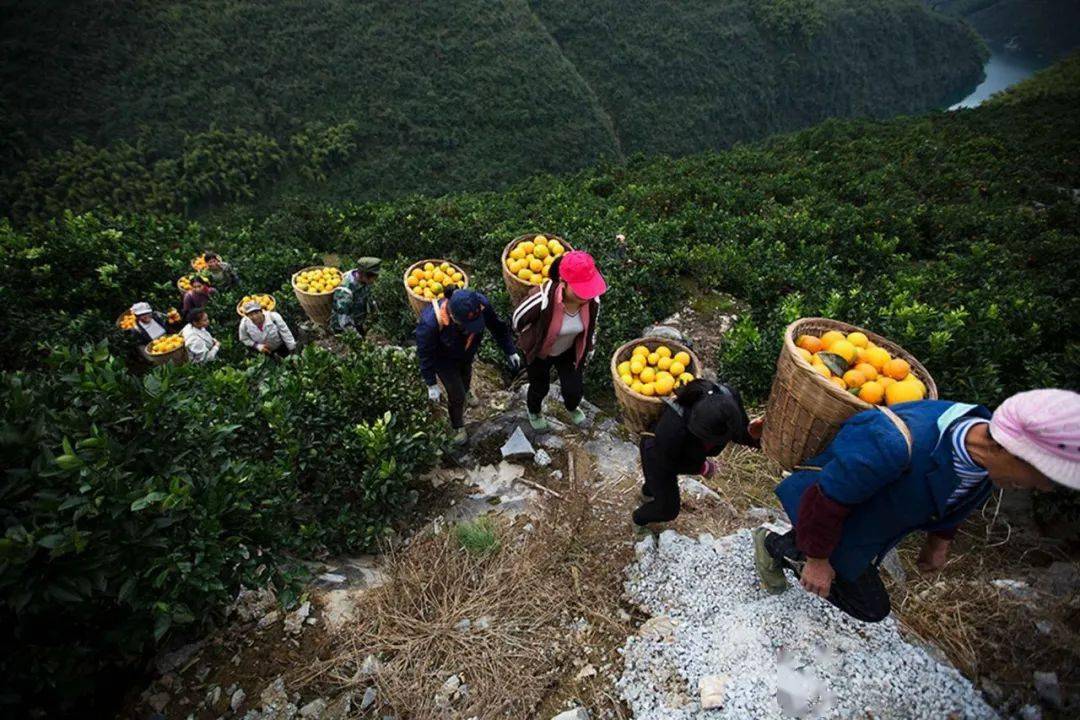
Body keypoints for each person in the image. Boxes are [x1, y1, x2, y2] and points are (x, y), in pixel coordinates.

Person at [754, 389, 1080, 623]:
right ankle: (777, 545)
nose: (1043, 487)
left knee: (865, 597)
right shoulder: (895, 444)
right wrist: (817, 559)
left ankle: (801, 548)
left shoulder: (987, 461)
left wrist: (940, 541)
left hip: (867, 524)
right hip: (831, 517)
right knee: (871, 608)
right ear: (1009, 449)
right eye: (1040, 474)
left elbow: (961, 495)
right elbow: (827, 498)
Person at [634, 379, 762, 527]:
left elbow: (742, 432)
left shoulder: (728, 399)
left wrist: (763, 442)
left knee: (657, 487)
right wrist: (701, 468)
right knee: (668, 509)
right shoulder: (672, 428)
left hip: (683, 452)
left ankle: (649, 494)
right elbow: (669, 463)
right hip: (656, 453)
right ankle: (638, 520)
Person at [512, 251, 606, 431]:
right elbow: (518, 319)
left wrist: (589, 346)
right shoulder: (542, 300)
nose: (585, 297)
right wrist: (531, 338)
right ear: (563, 282)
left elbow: (592, 326)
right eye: (580, 291)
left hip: (568, 351)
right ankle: (534, 410)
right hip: (541, 352)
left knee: (574, 390)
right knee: (539, 387)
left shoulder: (592, 301)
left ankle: (571, 407)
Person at [416, 286, 521, 445]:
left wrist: (509, 350)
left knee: (466, 373)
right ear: (453, 316)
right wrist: (431, 383)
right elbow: (425, 354)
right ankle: (457, 425)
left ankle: (466, 391)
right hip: (443, 360)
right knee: (456, 394)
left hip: (467, 350)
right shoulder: (431, 323)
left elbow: (497, 327)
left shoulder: (480, 304)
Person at [332, 257, 381, 334]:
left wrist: (375, 315)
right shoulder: (345, 292)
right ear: (364, 275)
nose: (375, 280)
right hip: (343, 330)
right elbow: (344, 322)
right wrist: (358, 339)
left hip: (358, 321)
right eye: (374, 278)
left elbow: (370, 298)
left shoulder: (364, 280)